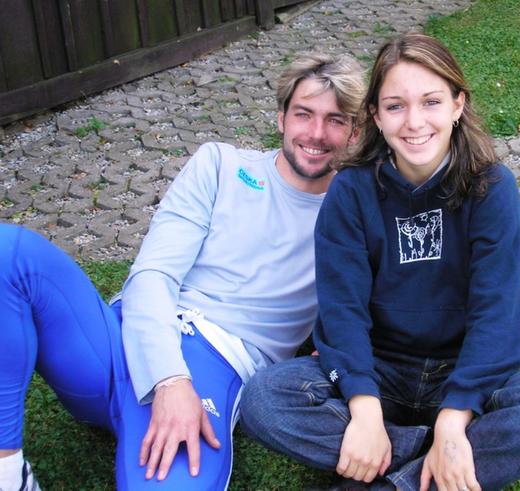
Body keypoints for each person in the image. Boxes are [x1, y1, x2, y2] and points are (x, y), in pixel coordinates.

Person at [0, 52, 365, 491]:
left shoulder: (355, 213)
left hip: (218, 365)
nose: (316, 133)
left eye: (335, 120)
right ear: (282, 117)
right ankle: (9, 475)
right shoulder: (221, 164)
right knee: (9, 252)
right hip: (119, 339)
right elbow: (153, 274)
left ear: (355, 132)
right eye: (304, 114)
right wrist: (170, 379)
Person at [240, 33, 520, 491]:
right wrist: (364, 409)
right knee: (265, 398)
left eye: (431, 102)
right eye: (396, 106)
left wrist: (454, 417)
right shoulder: (352, 190)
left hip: (459, 372)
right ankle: (431, 459)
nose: (414, 122)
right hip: (379, 369)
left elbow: (498, 315)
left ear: (458, 105)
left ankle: (393, 474)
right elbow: (342, 310)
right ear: (376, 116)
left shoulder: (491, 188)